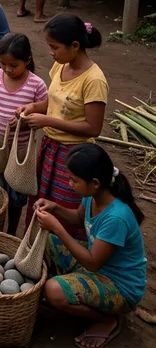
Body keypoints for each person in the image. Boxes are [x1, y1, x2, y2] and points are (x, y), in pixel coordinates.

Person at [35, 144, 146, 348]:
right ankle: (73, 294)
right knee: (46, 240)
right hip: (98, 267)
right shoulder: (92, 196)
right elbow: (78, 218)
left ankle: (107, 320)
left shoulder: (116, 217)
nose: (70, 184)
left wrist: (58, 228)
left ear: (95, 183)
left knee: (53, 291)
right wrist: (55, 208)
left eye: (74, 180)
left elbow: (93, 263)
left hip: (120, 286)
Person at [19, 14, 107, 235]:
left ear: (75, 46)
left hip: (73, 154)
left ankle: (61, 254)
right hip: (50, 148)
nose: (51, 53)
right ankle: (36, 249)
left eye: (54, 47)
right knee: (41, 200)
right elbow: (55, 100)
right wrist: (34, 107)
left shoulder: (94, 80)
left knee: (64, 205)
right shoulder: (61, 66)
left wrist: (47, 120)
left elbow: (92, 127)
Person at [0, 33, 48, 233]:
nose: (8, 69)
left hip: (19, 151)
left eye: (14, 65)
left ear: (27, 61)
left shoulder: (36, 84)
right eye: (3, 63)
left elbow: (46, 110)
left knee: (15, 195)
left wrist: (24, 121)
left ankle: (11, 231)